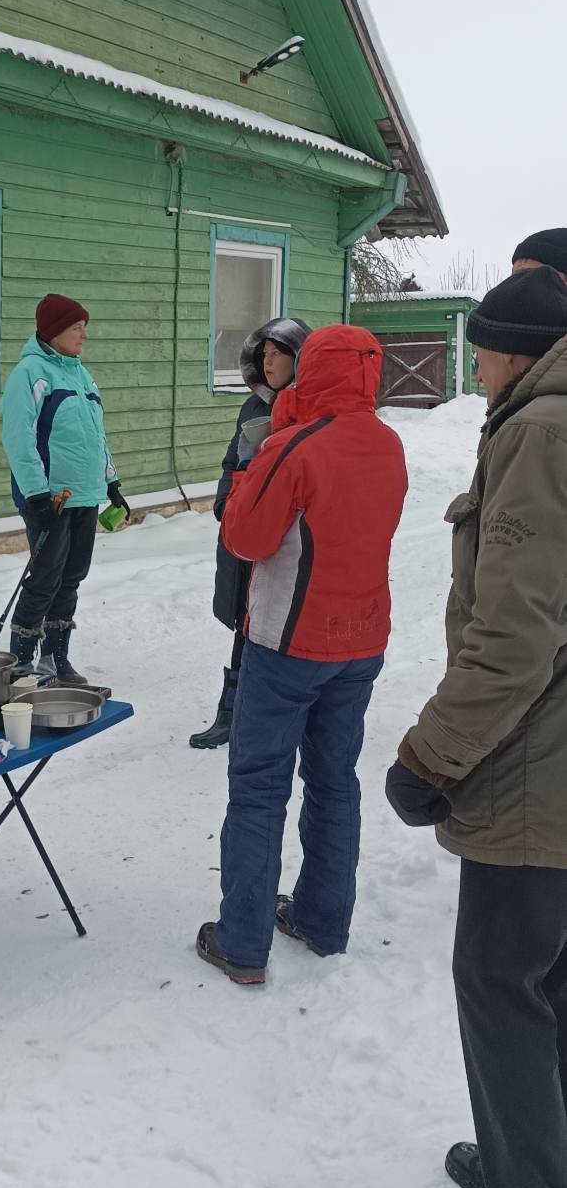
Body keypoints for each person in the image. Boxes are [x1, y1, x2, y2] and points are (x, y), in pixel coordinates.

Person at [386, 265, 567, 1188]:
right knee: (550, 981)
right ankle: (537, 1174)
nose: (477, 369)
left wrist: (430, 758)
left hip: (535, 773)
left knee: (499, 986)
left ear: (507, 351)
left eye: (481, 351)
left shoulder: (540, 430)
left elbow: (512, 639)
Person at [195, 325, 407, 984]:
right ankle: (321, 920)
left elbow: (245, 537)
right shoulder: (388, 442)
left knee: (258, 787)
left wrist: (255, 461)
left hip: (288, 642)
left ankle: (242, 942)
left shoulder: (294, 446)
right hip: (361, 640)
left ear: (312, 370)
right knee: (334, 781)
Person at [189, 316, 310, 749]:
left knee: (278, 626)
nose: (268, 361)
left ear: (301, 358)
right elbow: (232, 462)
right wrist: (226, 504)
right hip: (244, 528)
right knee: (245, 619)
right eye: (264, 353)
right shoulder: (255, 406)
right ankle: (232, 712)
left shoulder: (312, 407)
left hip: (287, 539)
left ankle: (270, 713)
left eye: (278, 353)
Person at [0, 293, 126, 685]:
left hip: (85, 494)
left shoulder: (81, 374)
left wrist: (111, 481)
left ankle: (54, 661)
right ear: (55, 331)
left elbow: (96, 436)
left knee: (71, 578)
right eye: (77, 327)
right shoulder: (30, 374)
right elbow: (19, 438)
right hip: (50, 499)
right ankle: (20, 666)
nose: (84, 335)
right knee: (45, 579)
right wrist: (36, 494)